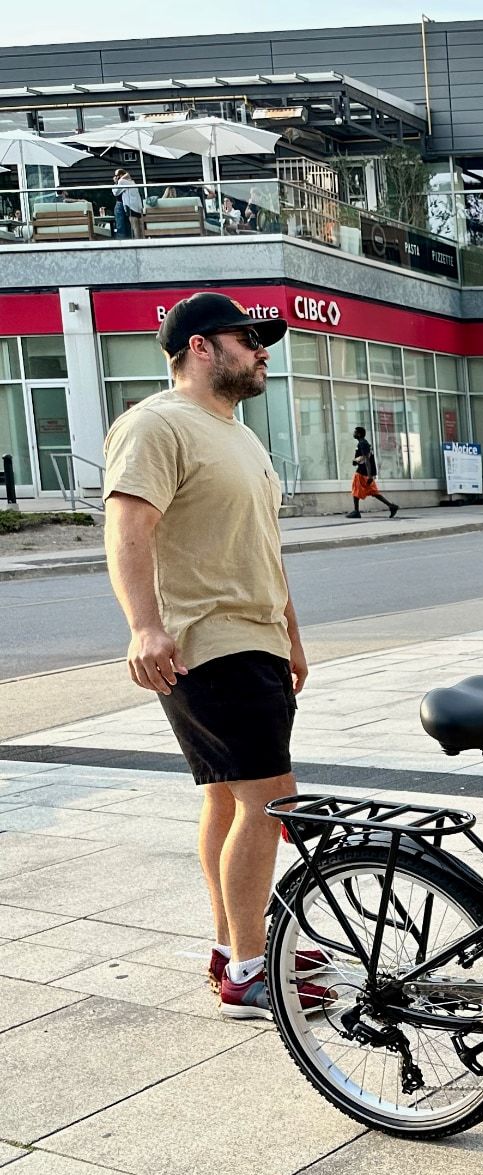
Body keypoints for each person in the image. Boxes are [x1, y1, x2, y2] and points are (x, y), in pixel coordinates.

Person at [103, 292, 313, 1019]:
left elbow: (264, 546)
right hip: (205, 639)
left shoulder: (241, 436)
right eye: (249, 339)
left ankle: (232, 945)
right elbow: (128, 524)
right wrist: (144, 626)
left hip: (252, 637)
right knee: (270, 800)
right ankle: (253, 971)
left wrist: (290, 632)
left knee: (227, 795)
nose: (261, 351)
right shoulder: (157, 423)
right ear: (200, 346)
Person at [346, 426, 398, 518]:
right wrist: (356, 461)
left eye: (355, 432)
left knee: (355, 490)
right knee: (374, 492)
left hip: (362, 472)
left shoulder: (362, 443)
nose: (353, 434)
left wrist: (370, 476)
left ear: (359, 434)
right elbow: (364, 458)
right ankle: (391, 506)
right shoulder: (364, 443)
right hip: (366, 472)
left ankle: (356, 511)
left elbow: (367, 459)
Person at [111, 168, 144, 239]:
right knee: (139, 226)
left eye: (117, 175)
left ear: (121, 175)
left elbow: (115, 192)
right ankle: (141, 240)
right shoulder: (132, 182)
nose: (115, 177)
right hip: (137, 206)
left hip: (130, 206)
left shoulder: (122, 181)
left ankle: (137, 241)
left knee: (134, 226)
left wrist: (117, 182)